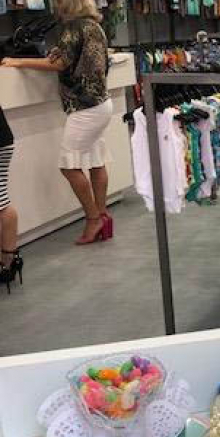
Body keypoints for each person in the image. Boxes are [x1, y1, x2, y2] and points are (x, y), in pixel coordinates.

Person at [0, 0, 114, 245]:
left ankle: (94, 219)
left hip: (84, 107)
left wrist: (17, 61)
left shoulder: (73, 28)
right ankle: (103, 215)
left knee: (68, 166)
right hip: (101, 103)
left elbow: (59, 63)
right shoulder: (94, 26)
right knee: (96, 160)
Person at [0, 106, 21, 294]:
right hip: (3, 138)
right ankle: (8, 260)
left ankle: (6, 262)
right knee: (2, 201)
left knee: (2, 203)